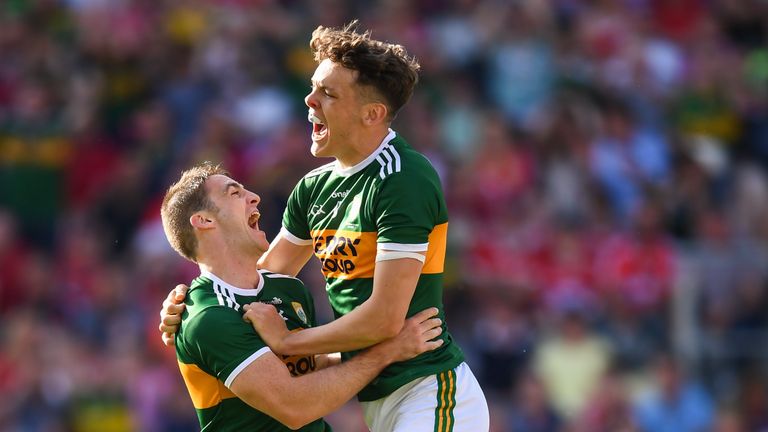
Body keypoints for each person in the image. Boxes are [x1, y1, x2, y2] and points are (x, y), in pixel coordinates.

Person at [161, 22, 489, 431]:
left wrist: (288, 341)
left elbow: (386, 320)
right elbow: (259, 276)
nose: (309, 100)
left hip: (428, 388)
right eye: (314, 88)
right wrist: (192, 300)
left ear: (372, 114)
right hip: (378, 395)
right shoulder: (313, 188)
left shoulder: (404, 178)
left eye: (328, 94)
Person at [160, 162, 444, 431]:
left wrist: (391, 344)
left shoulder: (288, 289)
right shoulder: (207, 317)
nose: (254, 197)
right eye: (235, 192)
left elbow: (312, 369)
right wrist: (387, 352)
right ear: (205, 220)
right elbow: (295, 406)